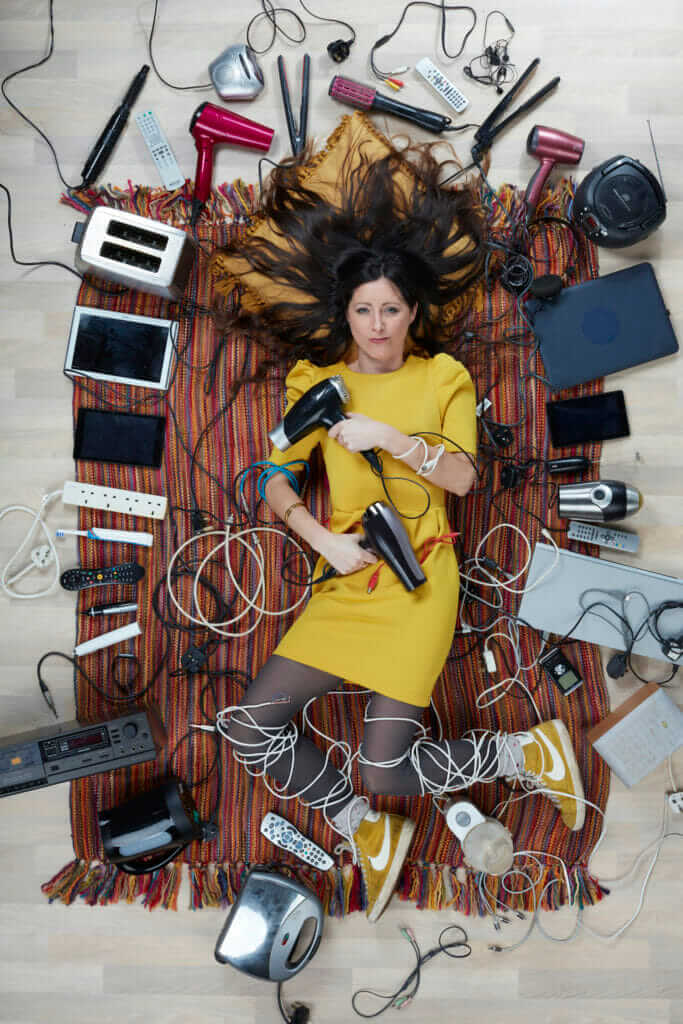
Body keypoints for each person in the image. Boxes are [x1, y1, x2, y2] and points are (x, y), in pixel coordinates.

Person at [212, 135, 586, 922]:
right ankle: (360, 832)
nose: (376, 325)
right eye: (362, 311)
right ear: (343, 314)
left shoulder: (441, 377)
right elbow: (275, 480)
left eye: (390, 310)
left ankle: (526, 753)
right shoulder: (317, 383)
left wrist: (390, 439)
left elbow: (462, 477)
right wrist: (320, 538)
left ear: (412, 314)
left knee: (387, 771)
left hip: (419, 578)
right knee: (249, 727)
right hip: (347, 574)